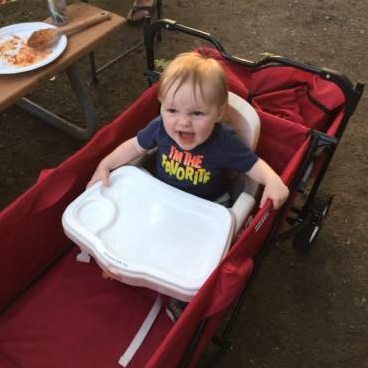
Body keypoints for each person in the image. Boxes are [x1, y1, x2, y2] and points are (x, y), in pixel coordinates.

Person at [88, 51, 289, 320]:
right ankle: (123, 259)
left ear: (219, 113)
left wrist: (274, 180)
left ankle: (182, 296)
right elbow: (134, 146)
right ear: (161, 105)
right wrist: (106, 164)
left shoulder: (224, 141)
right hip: (162, 201)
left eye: (197, 113)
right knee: (137, 227)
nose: (182, 122)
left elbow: (253, 165)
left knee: (204, 258)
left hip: (207, 207)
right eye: (172, 110)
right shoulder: (160, 127)